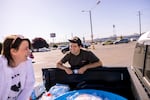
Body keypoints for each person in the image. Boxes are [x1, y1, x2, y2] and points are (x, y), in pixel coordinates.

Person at [0, 35, 35, 100]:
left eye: (29, 48)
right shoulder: (1, 66)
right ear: (13, 51)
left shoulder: (27, 63)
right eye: (26, 49)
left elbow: (29, 85)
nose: (29, 51)